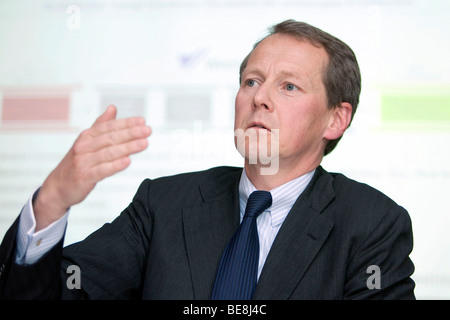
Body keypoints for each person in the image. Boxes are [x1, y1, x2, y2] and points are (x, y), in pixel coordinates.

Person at [0, 19, 415, 299]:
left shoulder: (371, 223)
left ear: (335, 119)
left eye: (289, 87)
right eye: (251, 81)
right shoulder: (163, 204)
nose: (260, 98)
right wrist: (51, 202)